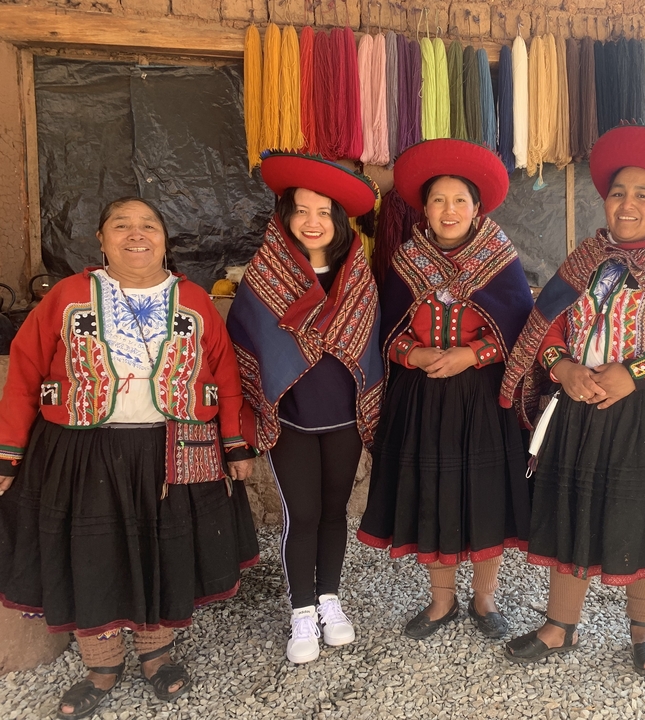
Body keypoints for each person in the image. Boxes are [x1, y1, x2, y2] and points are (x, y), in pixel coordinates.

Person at [0, 197, 259, 718]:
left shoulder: (192, 299)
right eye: (121, 225)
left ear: (165, 240)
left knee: (163, 548)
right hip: (82, 451)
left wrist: (234, 443)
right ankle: (101, 664)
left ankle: (157, 655)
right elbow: (25, 373)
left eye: (148, 226)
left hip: (172, 448)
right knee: (92, 553)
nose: (136, 235)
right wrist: (8, 455)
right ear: (101, 239)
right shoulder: (69, 297)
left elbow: (225, 373)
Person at [499, 123, 645, 675]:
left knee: (641, 513)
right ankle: (559, 626)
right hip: (580, 405)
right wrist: (565, 367)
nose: (626, 204)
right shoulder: (587, 260)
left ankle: (644, 629)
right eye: (618, 193)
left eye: (643, 195)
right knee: (570, 507)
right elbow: (546, 323)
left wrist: (636, 372)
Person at [358, 138, 533, 640]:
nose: (448, 210)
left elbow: (521, 331)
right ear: (424, 209)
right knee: (431, 492)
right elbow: (385, 330)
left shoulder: (500, 258)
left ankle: (484, 600)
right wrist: (412, 354)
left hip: (483, 399)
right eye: (438, 200)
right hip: (422, 397)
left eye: (460, 200)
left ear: (477, 209)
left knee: (483, 494)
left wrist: (470, 355)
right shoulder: (407, 259)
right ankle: (441, 602)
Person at [227, 152, 383, 664]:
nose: (311, 222)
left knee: (335, 511)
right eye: (300, 210)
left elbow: (370, 344)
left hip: (343, 417)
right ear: (285, 216)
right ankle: (301, 610)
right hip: (290, 417)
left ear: (339, 221)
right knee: (304, 513)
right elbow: (246, 346)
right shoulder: (263, 277)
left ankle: (329, 599)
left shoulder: (357, 273)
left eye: (323, 212)